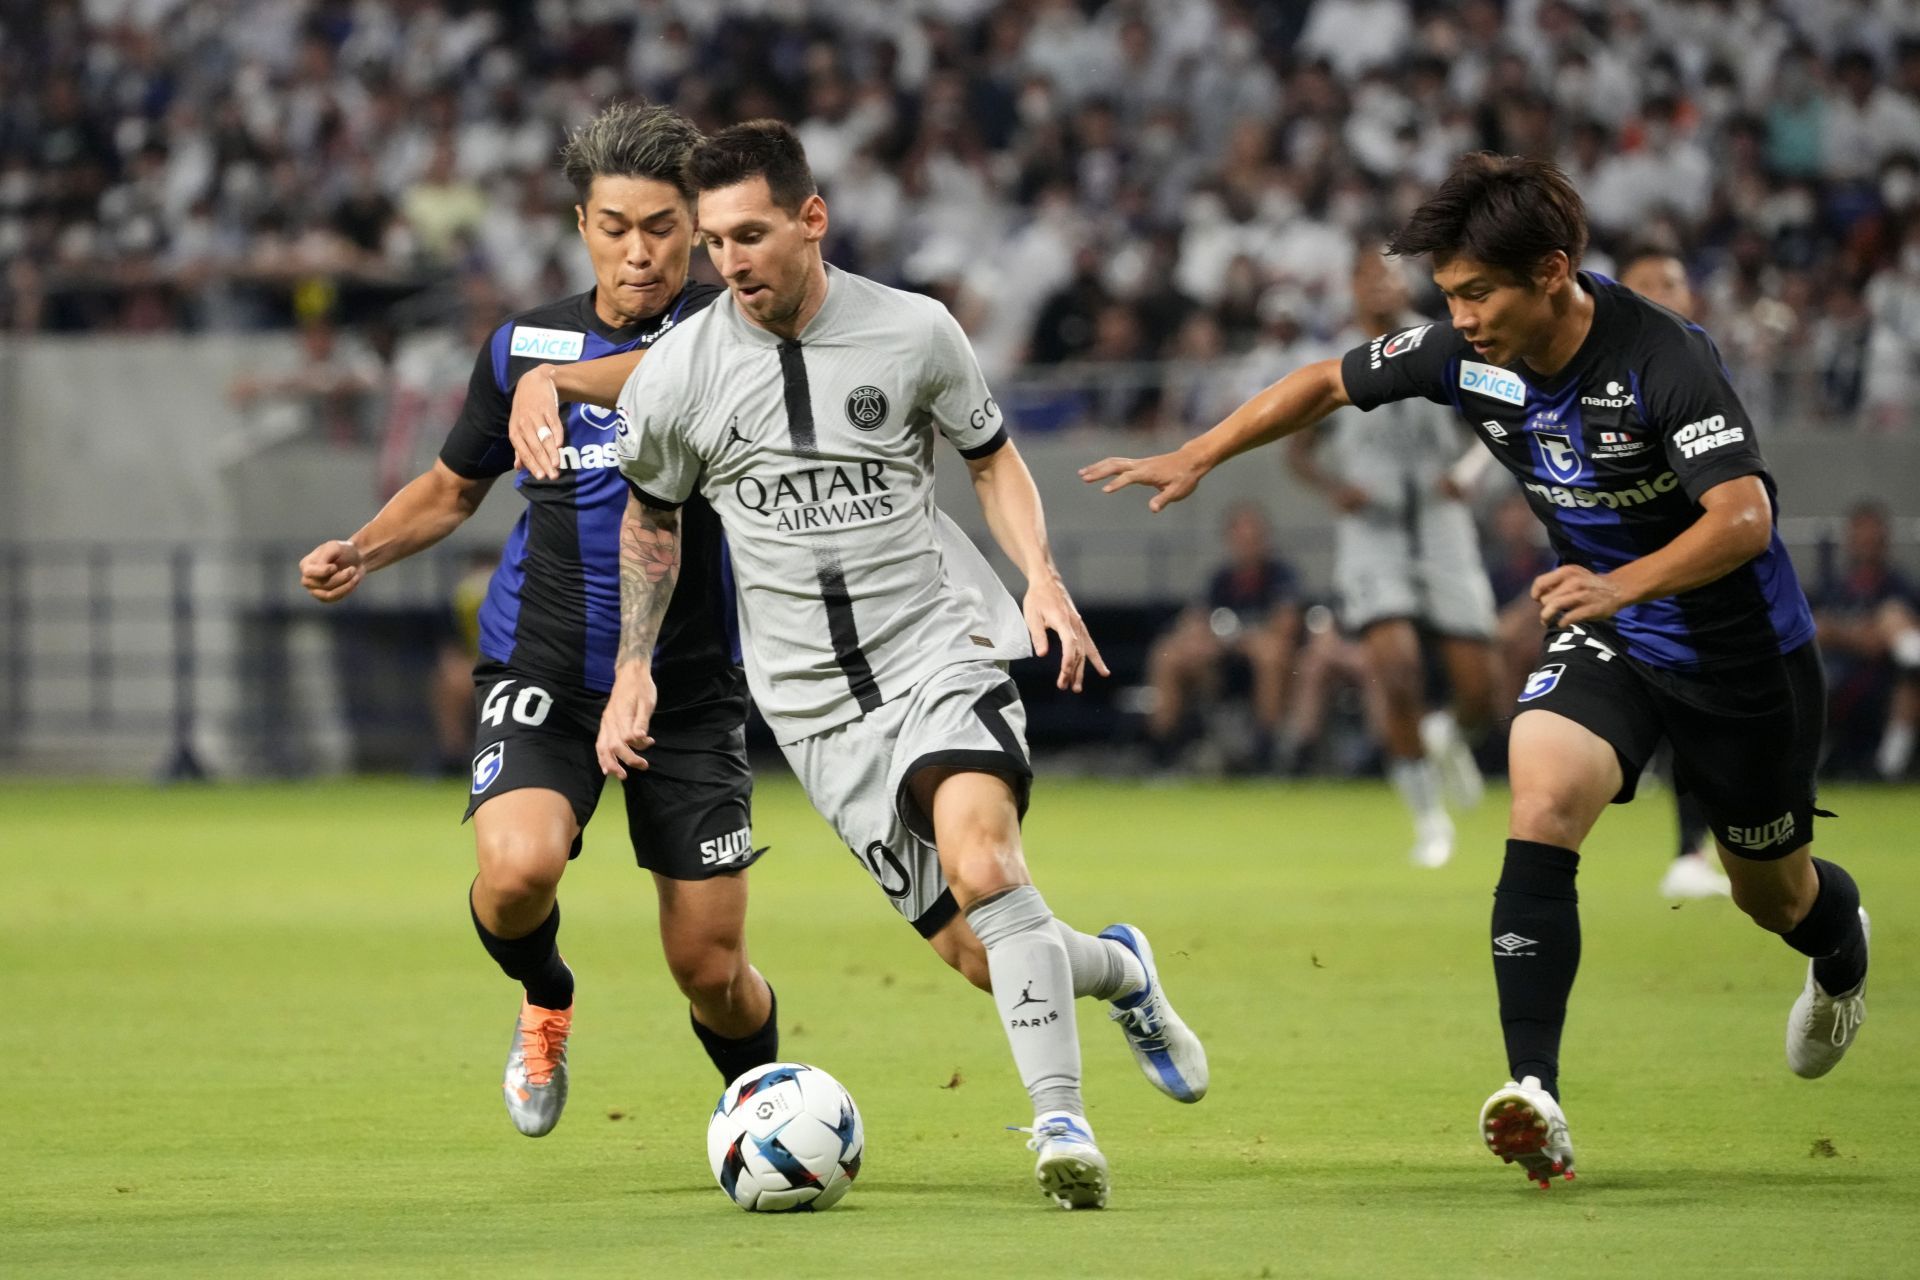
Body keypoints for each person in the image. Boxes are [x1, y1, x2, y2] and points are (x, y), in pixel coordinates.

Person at [1085, 153, 1871, 1189]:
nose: (1459, 315)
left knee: (1769, 893)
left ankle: (1841, 951)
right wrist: (1203, 451)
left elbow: (1745, 517)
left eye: (1477, 292)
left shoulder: (1663, 359)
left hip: (1742, 660)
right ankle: (1534, 1095)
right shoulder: (1471, 354)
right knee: (1539, 795)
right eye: (1448, 294)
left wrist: (1622, 582)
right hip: (1613, 633)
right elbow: (1327, 380)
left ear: (1553, 270)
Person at [517, 120, 1207, 1212]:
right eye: (713, 243)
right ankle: (1121, 966)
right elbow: (652, 524)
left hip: (936, 650)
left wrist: (1040, 575)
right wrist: (637, 666)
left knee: (987, 862)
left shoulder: (916, 331)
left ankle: (1061, 1123)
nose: (729, 261)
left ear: (810, 219)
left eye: (750, 234)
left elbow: (992, 460)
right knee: (986, 953)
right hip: (814, 713)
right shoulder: (681, 376)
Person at [297, 102, 779, 1141]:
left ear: (694, 227)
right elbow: (451, 486)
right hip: (546, 661)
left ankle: (763, 1104)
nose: (639, 249)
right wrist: (361, 547)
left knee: (712, 968)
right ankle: (546, 995)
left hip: (686, 685)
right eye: (615, 225)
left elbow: (665, 377)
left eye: (661, 225)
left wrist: (560, 385)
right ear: (580, 225)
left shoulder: (727, 324)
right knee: (516, 874)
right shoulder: (521, 341)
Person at [1286, 243, 1500, 867]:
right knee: (1396, 669)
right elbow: (1298, 450)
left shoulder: (1449, 343)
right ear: (1351, 287)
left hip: (1443, 522)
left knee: (1482, 693)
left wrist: (1468, 472)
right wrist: (1336, 489)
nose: (1380, 283)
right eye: (1367, 274)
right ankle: (1429, 818)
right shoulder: (1334, 361)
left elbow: (1499, 424)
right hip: (1372, 532)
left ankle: (1448, 736)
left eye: (1389, 271)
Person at [1617, 244, 1730, 900]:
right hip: (1621, 572)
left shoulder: (1698, 367)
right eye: (1648, 282)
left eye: (1675, 282)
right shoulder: (1602, 373)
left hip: (1697, 570)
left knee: (1704, 716)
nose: (1665, 291)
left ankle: (1696, 852)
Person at [1142, 502, 1300, 773]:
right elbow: (1195, 620)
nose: (1248, 545)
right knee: (1167, 653)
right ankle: (1164, 751)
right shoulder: (1220, 579)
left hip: (1265, 667)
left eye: (1254, 538)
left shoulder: (1280, 576)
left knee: (1270, 653)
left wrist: (1238, 639)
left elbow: (1285, 628)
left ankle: (1265, 754)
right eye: (1241, 539)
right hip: (1221, 667)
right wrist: (1203, 639)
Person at [1811, 501, 1920, 779]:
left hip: (1885, 682)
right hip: (1835, 680)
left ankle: (1890, 767)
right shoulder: (1833, 588)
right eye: (1861, 535)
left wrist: (1844, 633)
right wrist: (1861, 634)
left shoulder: (1901, 586)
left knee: (1909, 673)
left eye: (1874, 535)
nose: (1867, 542)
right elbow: (1817, 629)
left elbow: (1881, 642)